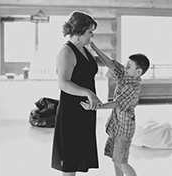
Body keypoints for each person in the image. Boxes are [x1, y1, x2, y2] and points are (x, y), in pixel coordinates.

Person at [84, 41, 150, 176]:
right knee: (116, 159)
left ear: (138, 72)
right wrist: (95, 47)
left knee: (121, 162)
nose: (125, 68)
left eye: (129, 66)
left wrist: (96, 106)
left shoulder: (132, 87)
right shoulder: (127, 76)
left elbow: (116, 103)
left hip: (123, 131)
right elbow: (111, 64)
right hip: (117, 126)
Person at [51, 11, 101, 175]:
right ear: (79, 32)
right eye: (90, 32)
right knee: (70, 160)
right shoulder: (66, 52)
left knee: (79, 155)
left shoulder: (84, 49)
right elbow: (63, 83)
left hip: (84, 111)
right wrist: (88, 92)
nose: (92, 36)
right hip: (71, 112)